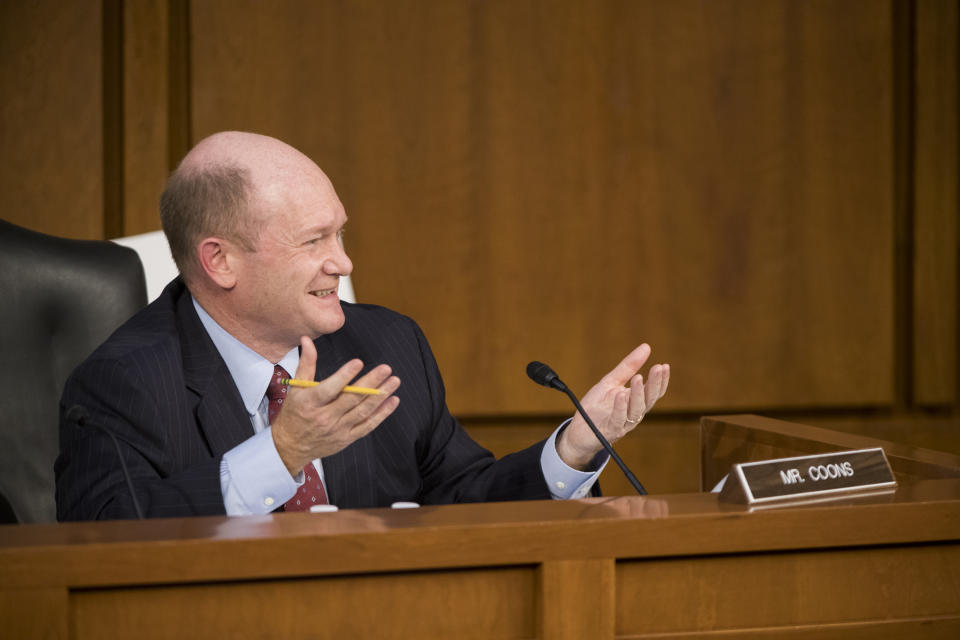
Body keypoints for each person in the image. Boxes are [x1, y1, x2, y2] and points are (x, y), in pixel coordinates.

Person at [55, 132, 670, 520]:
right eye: (313, 240)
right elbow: (105, 534)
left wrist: (574, 448)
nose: (343, 263)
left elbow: (465, 500)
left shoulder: (386, 342)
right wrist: (281, 453)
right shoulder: (121, 382)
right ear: (220, 261)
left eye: (339, 232)